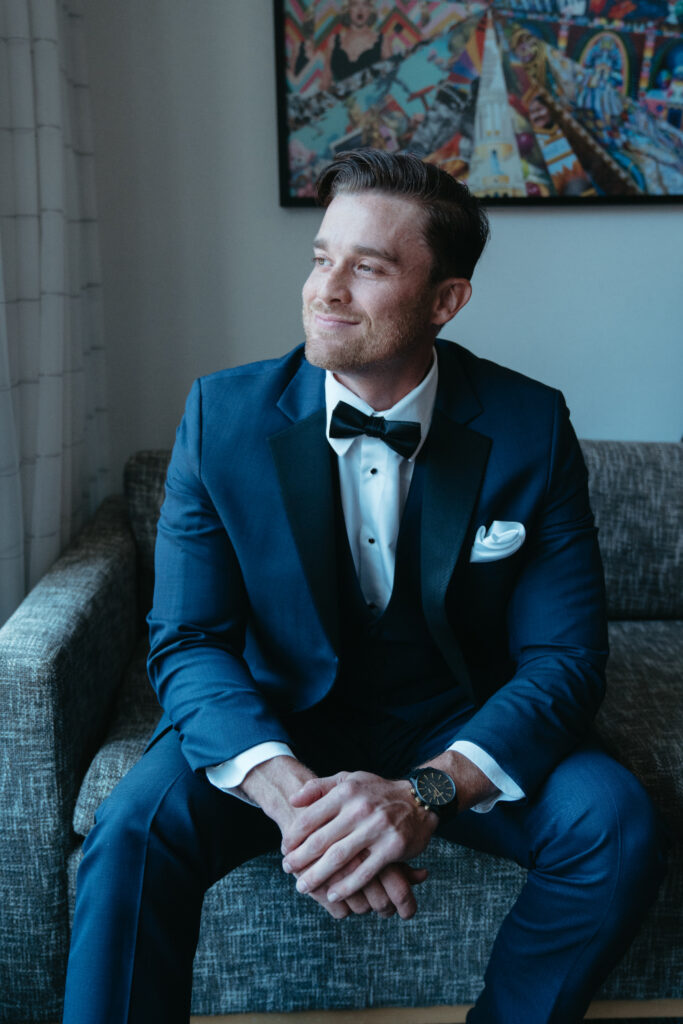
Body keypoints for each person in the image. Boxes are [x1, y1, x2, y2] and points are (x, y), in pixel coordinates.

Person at [62, 149, 667, 1024]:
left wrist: (422, 794)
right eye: (319, 258)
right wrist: (299, 803)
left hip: (454, 713)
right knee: (131, 830)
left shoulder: (528, 425)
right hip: (281, 713)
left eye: (368, 267)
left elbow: (564, 658)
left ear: (445, 300)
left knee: (614, 827)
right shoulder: (220, 417)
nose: (325, 290)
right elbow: (188, 640)